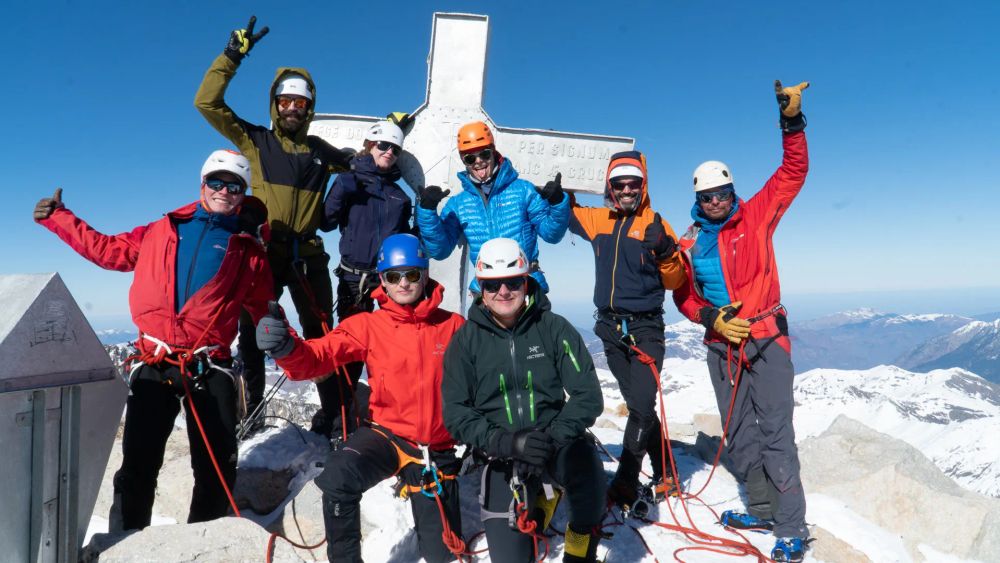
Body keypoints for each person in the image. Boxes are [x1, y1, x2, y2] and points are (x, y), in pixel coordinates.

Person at [34, 150, 273, 530]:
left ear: (242, 194)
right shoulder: (162, 230)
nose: (224, 191)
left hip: (209, 366)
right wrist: (59, 218)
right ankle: (125, 544)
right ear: (202, 185)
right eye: (217, 182)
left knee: (215, 471)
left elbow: (265, 311)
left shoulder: (249, 251)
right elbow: (108, 250)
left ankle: (202, 546)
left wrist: (301, 351)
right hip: (155, 359)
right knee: (137, 467)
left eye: (234, 185)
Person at [255, 234, 464, 563]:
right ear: (382, 279)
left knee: (442, 553)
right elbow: (318, 356)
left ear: (425, 274)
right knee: (337, 479)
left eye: (411, 274)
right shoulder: (369, 325)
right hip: (388, 435)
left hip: (434, 447)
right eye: (394, 276)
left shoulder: (453, 326)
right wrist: (287, 348)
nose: (403, 283)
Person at [672, 80, 811, 563]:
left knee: (775, 433)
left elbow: (794, 171)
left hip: (768, 339)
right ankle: (762, 507)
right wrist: (710, 317)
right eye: (708, 196)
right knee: (741, 435)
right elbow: (683, 298)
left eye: (723, 192)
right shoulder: (689, 242)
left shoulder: (757, 215)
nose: (717, 201)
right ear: (698, 198)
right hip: (722, 347)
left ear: (734, 190)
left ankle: (791, 525)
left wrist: (791, 122)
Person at [195, 16, 353, 437]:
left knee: (322, 335)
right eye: (284, 102)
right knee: (251, 336)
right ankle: (251, 419)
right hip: (264, 252)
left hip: (309, 255)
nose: (291, 109)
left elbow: (365, 165)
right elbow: (207, 103)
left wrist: (391, 134)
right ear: (275, 104)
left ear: (309, 108)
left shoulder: (322, 153)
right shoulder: (256, 141)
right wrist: (232, 55)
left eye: (299, 104)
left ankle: (335, 417)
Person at [441, 238, 606, 562]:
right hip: (500, 453)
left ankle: (579, 546)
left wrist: (549, 438)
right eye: (492, 285)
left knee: (589, 475)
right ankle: (541, 499)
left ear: (526, 281)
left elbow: (588, 395)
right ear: (481, 288)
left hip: (555, 442)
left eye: (513, 281)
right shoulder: (465, 342)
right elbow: (456, 411)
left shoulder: (554, 328)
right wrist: (503, 442)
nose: (503, 292)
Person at [568, 150, 686, 510]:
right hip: (609, 328)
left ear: (643, 185)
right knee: (640, 405)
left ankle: (624, 483)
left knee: (639, 407)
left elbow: (676, 278)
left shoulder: (656, 225)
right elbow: (566, 213)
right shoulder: (598, 219)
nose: (627, 190)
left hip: (646, 327)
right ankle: (666, 471)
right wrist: (558, 195)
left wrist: (666, 251)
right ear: (610, 187)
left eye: (633, 184)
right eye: (619, 184)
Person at [318, 120, 413, 439]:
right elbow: (326, 222)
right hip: (352, 280)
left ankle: (380, 413)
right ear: (369, 146)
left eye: (394, 148)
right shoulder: (349, 181)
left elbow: (405, 238)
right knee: (349, 349)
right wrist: (343, 188)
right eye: (382, 145)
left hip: (386, 282)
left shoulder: (400, 196)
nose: (389, 152)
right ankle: (339, 417)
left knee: (388, 347)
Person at [415, 120, 569, 295]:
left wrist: (557, 203)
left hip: (526, 285)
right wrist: (427, 210)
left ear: (494, 152)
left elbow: (552, 234)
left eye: (485, 154)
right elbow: (439, 251)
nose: (479, 162)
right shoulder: (458, 204)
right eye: (470, 158)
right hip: (486, 290)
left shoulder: (524, 190)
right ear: (464, 161)